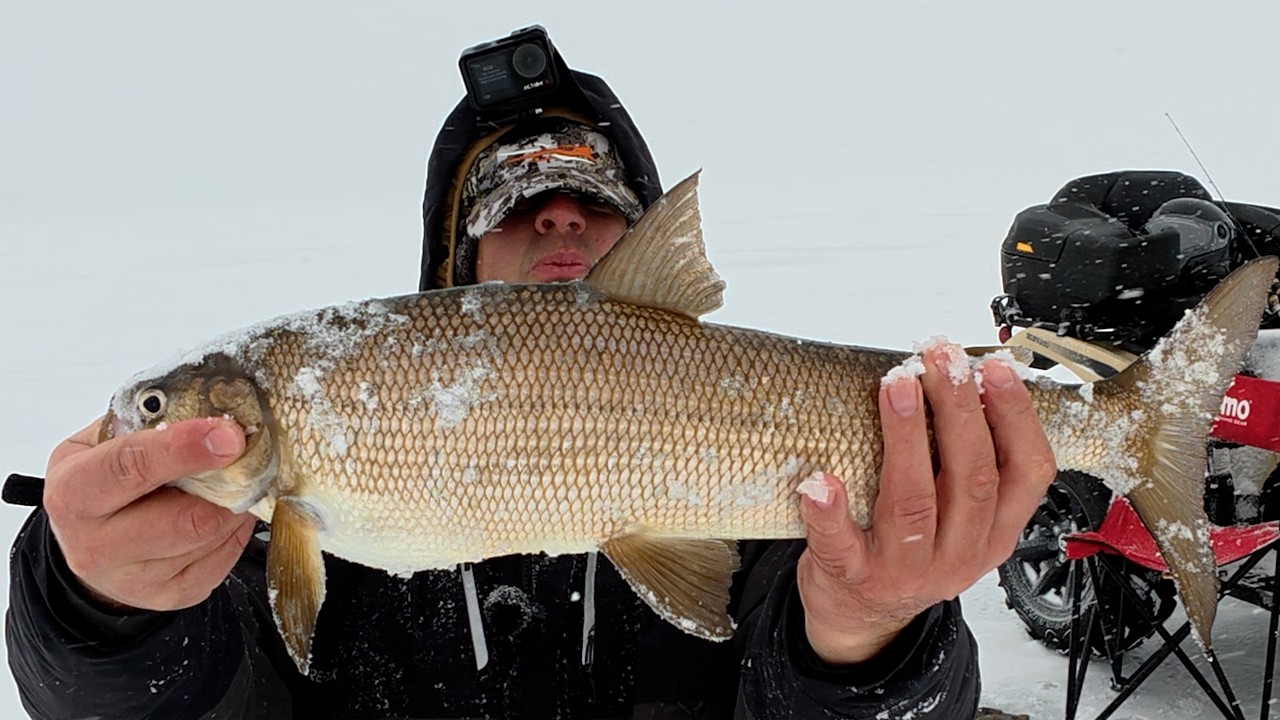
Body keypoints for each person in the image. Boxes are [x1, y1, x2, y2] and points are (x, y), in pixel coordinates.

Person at [5, 58, 1056, 719]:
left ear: (644, 246)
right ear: (453, 267)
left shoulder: (777, 537)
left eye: (589, 209)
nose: (557, 225)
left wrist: (867, 635)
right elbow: (164, 694)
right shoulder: (283, 480)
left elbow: (864, 683)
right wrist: (95, 609)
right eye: (519, 211)